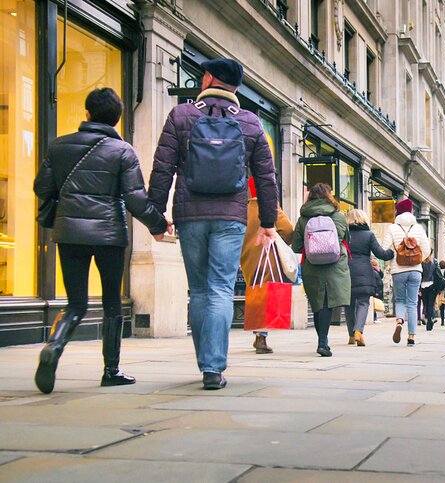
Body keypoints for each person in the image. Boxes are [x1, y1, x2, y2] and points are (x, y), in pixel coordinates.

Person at [149, 58, 278, 390]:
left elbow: (162, 168)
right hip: (230, 218)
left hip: (189, 216)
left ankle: (205, 361)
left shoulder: (181, 115)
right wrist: (267, 221)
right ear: (235, 87)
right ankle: (213, 368)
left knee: (200, 290)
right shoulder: (251, 123)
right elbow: (266, 178)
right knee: (221, 288)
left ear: (208, 79)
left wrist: (154, 216)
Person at [33, 88, 171, 394]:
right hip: (109, 236)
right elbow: (135, 200)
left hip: (69, 234)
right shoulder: (122, 151)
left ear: (87, 114)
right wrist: (159, 224)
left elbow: (41, 187)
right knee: (111, 304)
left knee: (76, 303)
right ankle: (111, 370)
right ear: (118, 118)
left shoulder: (59, 146)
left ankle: (54, 346)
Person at [292, 183, 350, 357]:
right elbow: (346, 238)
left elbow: (296, 246)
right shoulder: (338, 215)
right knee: (327, 303)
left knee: (318, 304)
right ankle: (323, 342)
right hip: (335, 263)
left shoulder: (303, 218)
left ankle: (322, 341)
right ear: (329, 195)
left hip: (311, 265)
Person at [239, 178, 294, 354]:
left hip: (247, 258)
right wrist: (276, 239)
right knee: (266, 295)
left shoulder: (242, 209)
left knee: (255, 293)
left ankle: (258, 333)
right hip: (267, 257)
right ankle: (261, 337)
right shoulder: (271, 208)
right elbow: (288, 230)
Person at [382, 199, 431, 346]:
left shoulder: (392, 228)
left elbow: (385, 249)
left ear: (398, 211)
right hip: (415, 271)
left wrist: (393, 260)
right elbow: (427, 249)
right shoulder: (419, 228)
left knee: (400, 300)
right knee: (412, 303)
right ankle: (411, 337)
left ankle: (399, 321)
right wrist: (417, 260)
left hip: (398, 270)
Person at [344, 209, 393, 346]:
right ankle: (359, 330)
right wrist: (392, 253)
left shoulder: (345, 234)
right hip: (364, 271)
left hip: (346, 271)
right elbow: (380, 253)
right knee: (364, 302)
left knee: (348, 304)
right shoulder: (369, 235)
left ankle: (351, 336)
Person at [420, 257, 445, 331]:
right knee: (431, 304)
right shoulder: (434, 261)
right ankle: (429, 320)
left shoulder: (421, 261)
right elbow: (438, 275)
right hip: (432, 285)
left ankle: (428, 318)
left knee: (426, 304)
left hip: (423, 285)